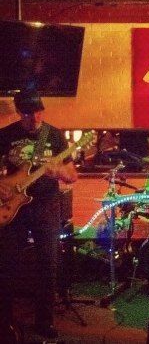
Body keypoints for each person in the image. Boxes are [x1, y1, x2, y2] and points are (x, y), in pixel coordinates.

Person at [0, 89, 78, 340]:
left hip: (46, 206)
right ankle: (5, 320)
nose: (34, 118)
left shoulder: (54, 135)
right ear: (18, 112)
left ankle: (44, 321)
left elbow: (72, 176)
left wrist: (58, 172)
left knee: (48, 263)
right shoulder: (6, 135)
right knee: (7, 263)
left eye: (37, 112)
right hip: (13, 207)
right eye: (27, 114)